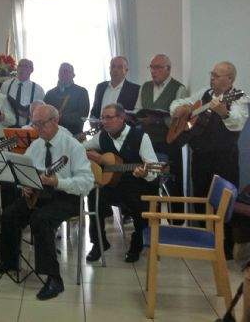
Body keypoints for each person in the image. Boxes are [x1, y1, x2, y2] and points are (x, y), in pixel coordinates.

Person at [0, 104, 93, 300]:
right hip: (38, 194)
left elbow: (87, 183)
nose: (37, 129)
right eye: (34, 124)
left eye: (41, 124)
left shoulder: (73, 146)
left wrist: (58, 182)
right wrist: (24, 185)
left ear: (55, 121)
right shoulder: (35, 145)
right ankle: (9, 261)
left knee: (40, 219)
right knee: (9, 215)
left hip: (66, 197)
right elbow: (24, 173)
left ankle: (54, 278)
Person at [170, 61, 249, 258]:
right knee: (201, 198)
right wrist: (179, 109)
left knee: (225, 201)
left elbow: (237, 122)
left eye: (216, 75)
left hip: (224, 159)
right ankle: (207, 241)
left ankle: (227, 248)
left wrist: (224, 112)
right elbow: (180, 103)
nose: (212, 78)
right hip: (200, 158)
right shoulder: (205, 93)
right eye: (211, 74)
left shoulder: (240, 97)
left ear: (230, 79)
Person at [84, 103, 159, 263]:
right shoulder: (102, 136)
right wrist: (95, 157)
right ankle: (99, 243)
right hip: (112, 184)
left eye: (109, 118)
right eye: (103, 118)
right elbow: (81, 148)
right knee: (93, 196)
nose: (104, 122)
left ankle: (137, 245)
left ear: (122, 118)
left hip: (136, 183)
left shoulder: (140, 137)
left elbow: (154, 168)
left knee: (139, 205)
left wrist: (145, 172)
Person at [135, 54, 188, 218]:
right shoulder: (145, 87)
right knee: (147, 180)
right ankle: (152, 221)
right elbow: (138, 109)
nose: (153, 71)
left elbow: (179, 121)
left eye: (158, 67)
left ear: (168, 69)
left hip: (168, 142)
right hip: (146, 142)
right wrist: (140, 118)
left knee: (173, 183)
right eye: (151, 67)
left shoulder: (179, 88)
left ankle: (177, 223)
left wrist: (159, 120)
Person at [43, 62, 90, 135]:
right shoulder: (50, 93)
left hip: (74, 134)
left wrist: (60, 117)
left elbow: (82, 116)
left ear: (73, 75)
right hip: (51, 134)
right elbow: (44, 114)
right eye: (61, 71)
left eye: (67, 71)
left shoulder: (81, 92)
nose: (64, 73)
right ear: (58, 74)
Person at [0, 59, 45, 127]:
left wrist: (29, 113)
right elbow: (0, 105)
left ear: (31, 70)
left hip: (29, 129)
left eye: (25, 66)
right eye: (19, 66)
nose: (21, 69)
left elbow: (41, 112)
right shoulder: (5, 85)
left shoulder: (38, 90)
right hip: (7, 128)